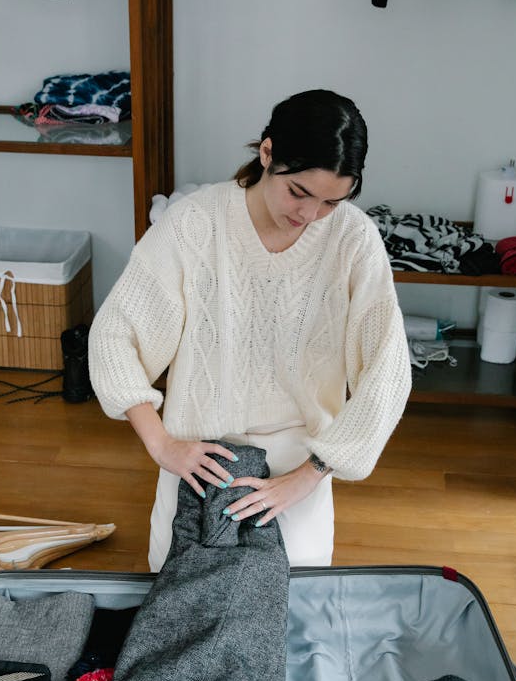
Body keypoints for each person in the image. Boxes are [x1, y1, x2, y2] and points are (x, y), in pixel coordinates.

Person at [88, 88, 411, 571]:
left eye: (330, 202)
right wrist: (162, 444)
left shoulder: (352, 237)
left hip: (300, 457)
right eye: (299, 192)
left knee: (292, 601)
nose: (309, 215)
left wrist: (311, 474)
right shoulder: (195, 223)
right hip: (200, 452)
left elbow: (388, 371)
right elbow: (115, 334)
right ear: (267, 154)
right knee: (173, 593)